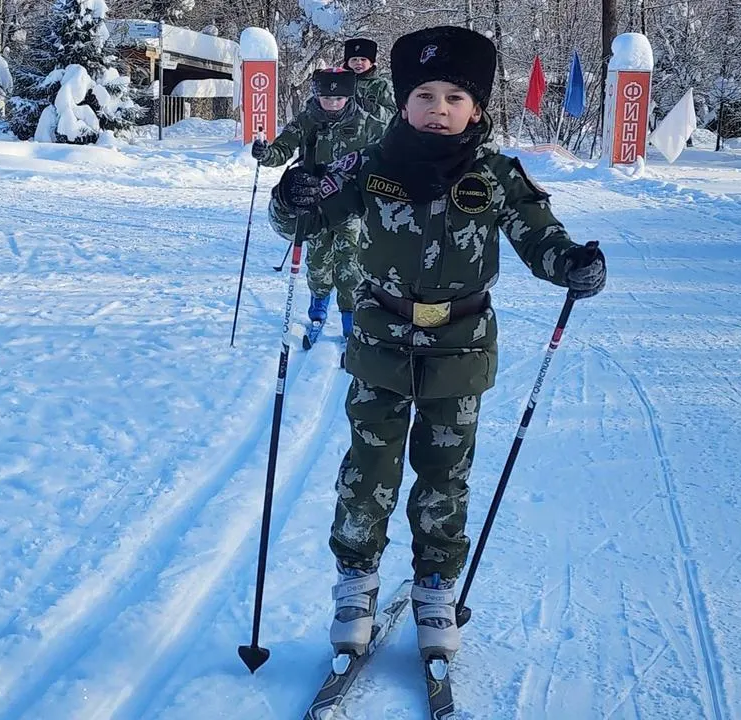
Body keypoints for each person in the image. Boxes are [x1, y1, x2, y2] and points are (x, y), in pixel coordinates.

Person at [268, 26, 607, 663]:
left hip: (461, 346)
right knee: (369, 472)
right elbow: (303, 218)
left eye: (456, 96)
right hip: (380, 341)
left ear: (476, 107)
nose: (439, 108)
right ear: (403, 102)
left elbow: (541, 238)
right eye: (425, 94)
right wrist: (292, 195)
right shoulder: (368, 165)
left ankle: (434, 586)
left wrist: (573, 264)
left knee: (444, 477)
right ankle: (357, 582)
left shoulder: (496, 174)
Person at [252, 68, 386, 339]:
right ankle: (318, 309)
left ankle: (350, 319)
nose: (333, 104)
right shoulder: (306, 120)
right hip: (314, 200)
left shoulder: (368, 123)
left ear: (348, 97)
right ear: (317, 95)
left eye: (339, 99)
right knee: (318, 261)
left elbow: (389, 153)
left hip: (352, 205)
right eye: (327, 98)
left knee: (351, 264)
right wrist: (265, 154)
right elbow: (282, 149)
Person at [343, 37, 396, 126]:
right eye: (354, 59)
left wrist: (373, 108)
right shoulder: (339, 82)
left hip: (373, 137)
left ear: (371, 63)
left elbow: (392, 116)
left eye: (363, 59)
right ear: (347, 63)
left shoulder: (382, 85)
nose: (358, 62)